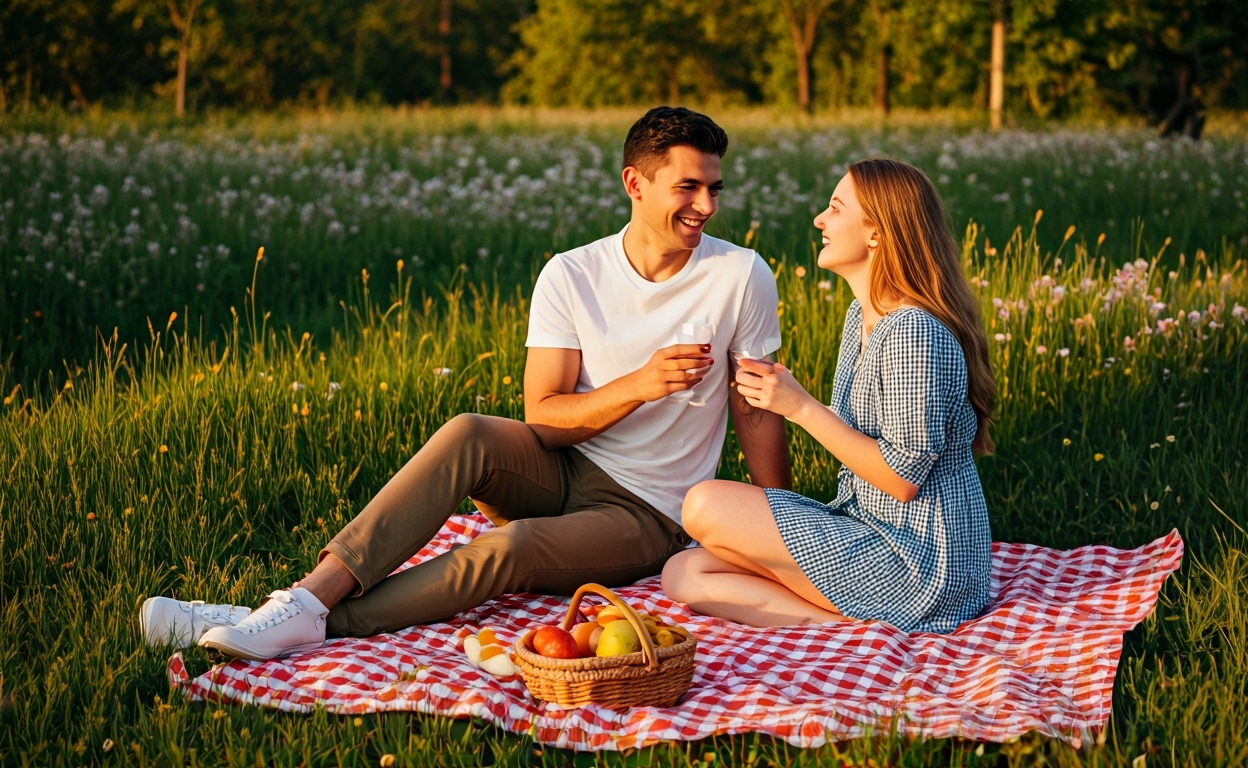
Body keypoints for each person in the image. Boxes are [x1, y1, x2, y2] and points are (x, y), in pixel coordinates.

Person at [139, 106, 791, 659]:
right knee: (468, 433)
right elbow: (542, 418)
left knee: (511, 547)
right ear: (636, 183)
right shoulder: (572, 274)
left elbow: (756, 411)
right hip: (564, 467)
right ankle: (305, 598)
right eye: (688, 188)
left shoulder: (740, 276)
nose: (706, 206)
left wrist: (784, 532)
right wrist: (640, 385)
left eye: (714, 189)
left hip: (645, 511)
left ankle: (300, 623)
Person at [661, 158, 995, 633]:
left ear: (876, 233)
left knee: (703, 506)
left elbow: (902, 480)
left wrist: (799, 407)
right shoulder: (863, 315)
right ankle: (840, 624)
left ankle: (880, 616)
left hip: (922, 562)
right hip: (869, 529)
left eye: (835, 208)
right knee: (685, 574)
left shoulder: (913, 332)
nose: (819, 219)